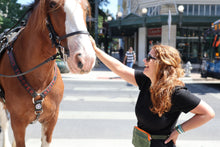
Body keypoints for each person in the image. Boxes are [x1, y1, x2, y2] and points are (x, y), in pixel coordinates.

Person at [90, 37, 215, 147]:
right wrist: (95, 49)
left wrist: (179, 130)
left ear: (162, 64)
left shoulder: (176, 92)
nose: (145, 60)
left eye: (150, 58)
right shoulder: (146, 81)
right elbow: (119, 68)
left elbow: (207, 113)